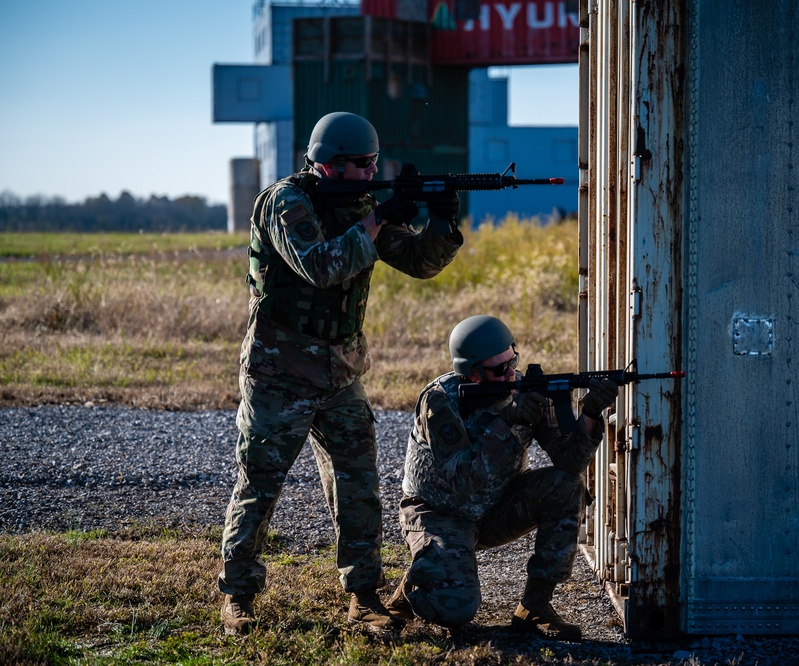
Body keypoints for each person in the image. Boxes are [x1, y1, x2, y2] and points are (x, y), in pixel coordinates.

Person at [218, 111, 463, 635]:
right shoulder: (285, 203)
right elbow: (322, 266)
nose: (371, 172)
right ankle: (237, 593)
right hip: (279, 371)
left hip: (341, 372)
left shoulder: (361, 204)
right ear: (329, 165)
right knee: (260, 484)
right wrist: (378, 218)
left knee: (358, 485)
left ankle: (363, 595)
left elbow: (420, 262)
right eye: (361, 164)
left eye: (375, 162)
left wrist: (441, 221)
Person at [386, 314, 619, 641]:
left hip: (496, 507)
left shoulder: (523, 388)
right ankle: (416, 583)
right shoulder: (440, 402)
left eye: (513, 361)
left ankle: (534, 606)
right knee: (455, 610)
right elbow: (463, 482)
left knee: (566, 489)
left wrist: (591, 414)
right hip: (440, 514)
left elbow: (568, 463)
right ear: (471, 372)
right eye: (499, 370)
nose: (511, 372)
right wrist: (507, 422)